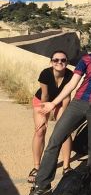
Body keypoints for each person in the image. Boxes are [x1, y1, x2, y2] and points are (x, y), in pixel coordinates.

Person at [23, 27, 91, 195]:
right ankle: (41, 185)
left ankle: (88, 187)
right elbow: (72, 83)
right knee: (55, 139)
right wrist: (53, 103)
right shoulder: (86, 59)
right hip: (79, 102)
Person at [28, 50, 74, 184]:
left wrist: (62, 116)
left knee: (65, 131)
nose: (59, 62)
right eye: (56, 60)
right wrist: (46, 114)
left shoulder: (70, 75)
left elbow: (66, 98)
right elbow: (45, 96)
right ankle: (37, 166)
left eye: (63, 60)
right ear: (51, 62)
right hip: (42, 101)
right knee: (40, 130)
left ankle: (66, 166)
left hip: (60, 102)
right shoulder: (45, 73)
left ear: (67, 62)